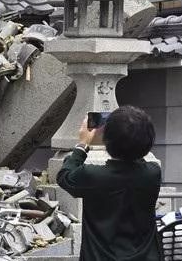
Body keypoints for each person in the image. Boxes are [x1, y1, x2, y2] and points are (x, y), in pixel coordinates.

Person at [57, 105, 162, 261]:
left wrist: (83, 143)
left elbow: (64, 176)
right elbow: (136, 159)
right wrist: (131, 135)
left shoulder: (92, 176)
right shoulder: (153, 173)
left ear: (108, 140)